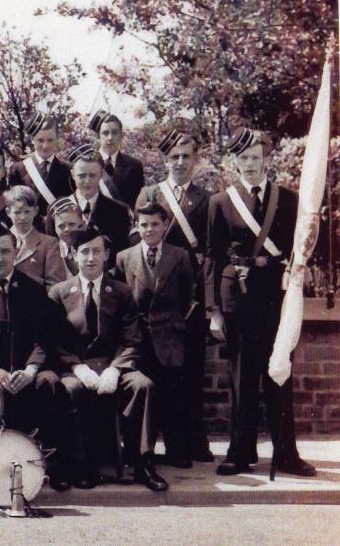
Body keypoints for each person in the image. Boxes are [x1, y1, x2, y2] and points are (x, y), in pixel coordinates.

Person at [207, 128, 315, 477]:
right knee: (242, 378)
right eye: (244, 158)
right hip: (237, 297)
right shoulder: (221, 202)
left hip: (275, 297)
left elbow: (300, 246)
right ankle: (240, 452)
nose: (251, 164)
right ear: (234, 162)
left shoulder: (288, 198)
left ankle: (286, 455)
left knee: (279, 373)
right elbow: (212, 258)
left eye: (256, 157)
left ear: (265, 159)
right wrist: (214, 311)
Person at [48, 225, 167, 491]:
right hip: (75, 369)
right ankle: (82, 465)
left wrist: (115, 369)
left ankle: (142, 465)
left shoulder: (122, 292)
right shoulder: (59, 293)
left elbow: (132, 339)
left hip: (115, 366)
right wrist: (78, 368)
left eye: (97, 252)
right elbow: (55, 342)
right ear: (73, 256)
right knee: (72, 390)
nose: (90, 258)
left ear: (106, 255)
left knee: (143, 386)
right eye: (85, 252)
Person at [0, 215, 71, 490]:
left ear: (16, 252)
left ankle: (54, 466)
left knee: (51, 383)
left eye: (5, 251)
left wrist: (31, 369)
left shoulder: (34, 290)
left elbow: (43, 338)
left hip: (24, 372)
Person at [136, 128, 214, 462]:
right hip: (155, 295)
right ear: (164, 160)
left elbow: (210, 249)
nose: (180, 163)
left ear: (196, 160)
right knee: (154, 373)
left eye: (186, 156)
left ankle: (191, 442)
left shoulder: (205, 198)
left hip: (188, 295)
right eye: (174, 157)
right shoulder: (150, 192)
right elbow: (136, 240)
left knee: (189, 372)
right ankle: (150, 446)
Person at [115, 202, 197, 468]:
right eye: (144, 224)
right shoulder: (124, 258)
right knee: (142, 396)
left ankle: (177, 450)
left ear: (164, 226)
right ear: (136, 227)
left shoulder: (180, 256)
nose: (149, 229)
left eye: (155, 224)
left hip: (169, 337)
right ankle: (141, 452)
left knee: (173, 396)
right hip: (137, 338)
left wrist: (174, 325)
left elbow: (188, 296)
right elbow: (118, 298)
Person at [65, 144, 131, 263]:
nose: (87, 181)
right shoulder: (58, 209)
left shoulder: (118, 211)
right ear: (73, 174)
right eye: (82, 175)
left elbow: (121, 256)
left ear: (101, 175)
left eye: (92, 175)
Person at [8, 112, 74, 228]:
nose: (45, 146)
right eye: (40, 140)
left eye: (50, 140)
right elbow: (16, 207)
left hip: (60, 230)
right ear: (32, 140)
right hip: (31, 231)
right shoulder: (18, 170)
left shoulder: (67, 169)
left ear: (56, 140)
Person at [6, 185, 67, 288]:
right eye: (17, 212)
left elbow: (55, 286)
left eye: (27, 212)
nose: (22, 217)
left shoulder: (49, 244)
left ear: (36, 211)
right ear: (8, 212)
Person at [89, 110, 144, 207]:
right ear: (98, 137)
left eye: (114, 133)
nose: (110, 137)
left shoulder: (134, 166)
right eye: (105, 133)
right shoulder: (88, 164)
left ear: (121, 136)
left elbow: (138, 203)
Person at [48, 196, 87, 278]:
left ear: (82, 224)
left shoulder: (91, 244)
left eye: (72, 224)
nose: (67, 229)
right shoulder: (54, 250)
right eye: (61, 226)